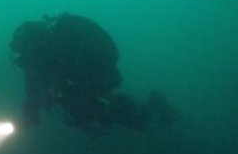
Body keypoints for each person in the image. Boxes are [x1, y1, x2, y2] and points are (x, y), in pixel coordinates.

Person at [10, 12, 179, 132]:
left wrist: (55, 98)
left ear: (33, 46)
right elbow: (35, 84)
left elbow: (70, 82)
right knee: (90, 119)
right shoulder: (37, 58)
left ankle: (153, 105)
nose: (23, 62)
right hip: (89, 84)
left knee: (133, 121)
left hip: (96, 79)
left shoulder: (56, 50)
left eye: (24, 55)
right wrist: (31, 107)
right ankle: (145, 108)